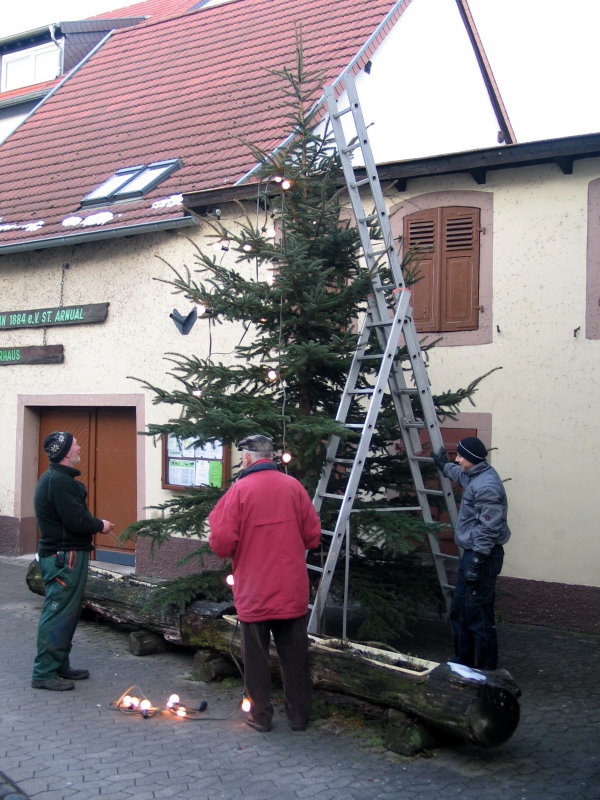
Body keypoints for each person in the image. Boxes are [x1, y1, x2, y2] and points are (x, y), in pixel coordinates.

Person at [208, 434, 321, 732]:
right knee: (295, 657)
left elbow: (220, 543)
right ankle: (299, 716)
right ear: (271, 456)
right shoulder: (293, 487)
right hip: (291, 588)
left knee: (256, 660)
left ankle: (260, 716)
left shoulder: (239, 491)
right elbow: (313, 535)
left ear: (246, 457)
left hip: (254, 590)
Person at [32, 431, 114, 691]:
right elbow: (75, 519)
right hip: (63, 558)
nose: (79, 446)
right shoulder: (59, 482)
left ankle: (59, 666)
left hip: (65, 556)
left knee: (66, 613)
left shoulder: (57, 480)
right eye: (75, 443)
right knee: (58, 613)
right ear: (66, 452)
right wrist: (100, 525)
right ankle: (44, 673)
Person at [433, 436, 511, 671]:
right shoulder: (475, 474)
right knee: (460, 610)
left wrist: (477, 561)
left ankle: (487, 671)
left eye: (460, 456)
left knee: (479, 615)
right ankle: (463, 663)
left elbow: (489, 527)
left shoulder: (487, 486)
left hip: (483, 557)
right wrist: (443, 466)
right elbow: (460, 474)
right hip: (473, 555)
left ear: (473, 458)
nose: (456, 459)